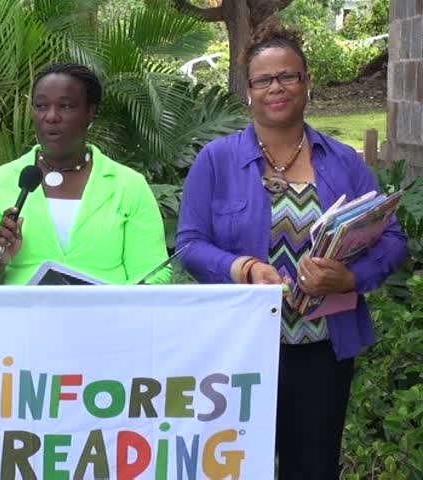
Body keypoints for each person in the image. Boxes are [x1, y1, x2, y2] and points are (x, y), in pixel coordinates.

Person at [175, 18, 408, 479]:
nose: (276, 87)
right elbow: (189, 245)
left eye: (288, 76)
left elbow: (393, 238)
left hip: (321, 349)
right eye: (264, 79)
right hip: (238, 349)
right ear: (248, 90)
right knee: (236, 467)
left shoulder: (343, 161)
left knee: (313, 467)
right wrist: (241, 267)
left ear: (307, 83)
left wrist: (351, 278)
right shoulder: (216, 161)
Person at [0, 63, 170, 285]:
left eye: (65, 106)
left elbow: (153, 272)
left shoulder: (129, 185)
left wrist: (117, 310)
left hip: (107, 317)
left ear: (90, 112)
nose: (51, 116)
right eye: (40, 105)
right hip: (21, 317)